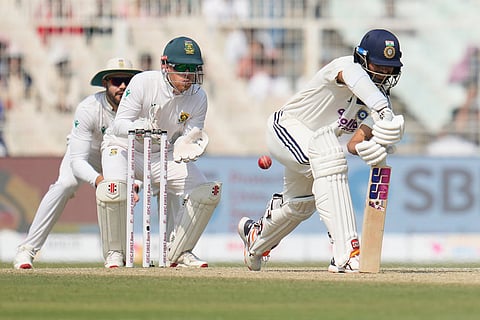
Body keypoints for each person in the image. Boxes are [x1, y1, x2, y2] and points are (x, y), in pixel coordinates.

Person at [237, 29, 405, 272]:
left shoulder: (380, 100)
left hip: (317, 143)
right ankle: (347, 253)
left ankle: (256, 238)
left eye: (390, 68)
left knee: (301, 204)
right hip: (286, 128)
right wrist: (385, 114)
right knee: (330, 158)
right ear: (363, 58)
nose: (384, 72)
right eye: (379, 65)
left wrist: (373, 146)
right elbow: (360, 84)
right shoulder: (346, 67)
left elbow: (353, 144)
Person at [97, 36, 222, 268]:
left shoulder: (199, 97)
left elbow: (192, 133)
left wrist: (188, 144)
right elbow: (119, 125)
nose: (188, 75)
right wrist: (141, 128)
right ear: (165, 65)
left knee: (207, 192)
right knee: (112, 190)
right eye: (182, 68)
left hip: (161, 153)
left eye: (194, 68)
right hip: (125, 148)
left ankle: (179, 252)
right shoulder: (144, 82)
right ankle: (115, 251)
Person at [13, 58, 142, 269]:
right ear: (105, 83)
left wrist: (135, 181)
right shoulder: (89, 107)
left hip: (120, 155)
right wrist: (99, 180)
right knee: (65, 185)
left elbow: (142, 151)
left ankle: (115, 255)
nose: (123, 86)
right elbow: (77, 161)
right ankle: (26, 250)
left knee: (119, 192)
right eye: (117, 81)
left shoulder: (141, 109)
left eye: (128, 81)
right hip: (88, 155)